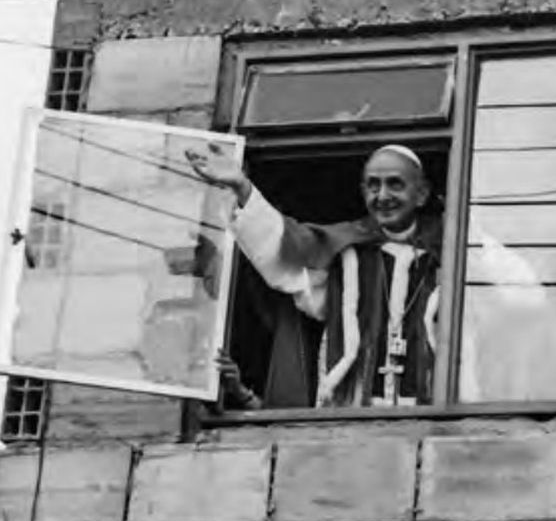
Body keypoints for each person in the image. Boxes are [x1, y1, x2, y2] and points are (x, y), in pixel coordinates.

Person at [187, 143, 441, 408]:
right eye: (373, 185)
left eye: (395, 184)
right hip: (350, 416)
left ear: (421, 193)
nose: (383, 195)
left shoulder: (452, 254)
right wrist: (242, 187)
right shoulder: (345, 250)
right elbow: (283, 258)